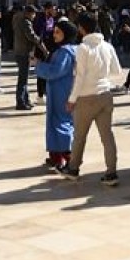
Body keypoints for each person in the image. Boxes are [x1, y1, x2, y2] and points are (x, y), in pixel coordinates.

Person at [59, 10, 122, 185]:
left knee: (79, 136)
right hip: (105, 94)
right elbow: (116, 71)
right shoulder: (108, 46)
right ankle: (111, 172)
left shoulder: (83, 48)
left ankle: (73, 168)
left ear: (81, 28)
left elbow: (79, 77)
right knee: (107, 136)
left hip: (86, 97)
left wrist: (72, 99)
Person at [35, 19, 78, 172]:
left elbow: (55, 71)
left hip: (62, 91)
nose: (54, 34)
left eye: (58, 32)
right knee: (56, 122)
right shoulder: (71, 49)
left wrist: (38, 65)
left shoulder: (65, 52)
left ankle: (69, 156)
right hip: (62, 89)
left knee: (61, 122)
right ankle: (55, 156)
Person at [11, 4, 41, 110]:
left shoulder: (17, 18)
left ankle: (26, 99)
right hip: (24, 52)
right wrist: (39, 41)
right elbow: (31, 36)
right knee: (23, 79)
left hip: (19, 51)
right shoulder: (26, 22)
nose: (34, 16)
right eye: (34, 14)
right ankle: (20, 102)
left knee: (24, 78)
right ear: (29, 13)